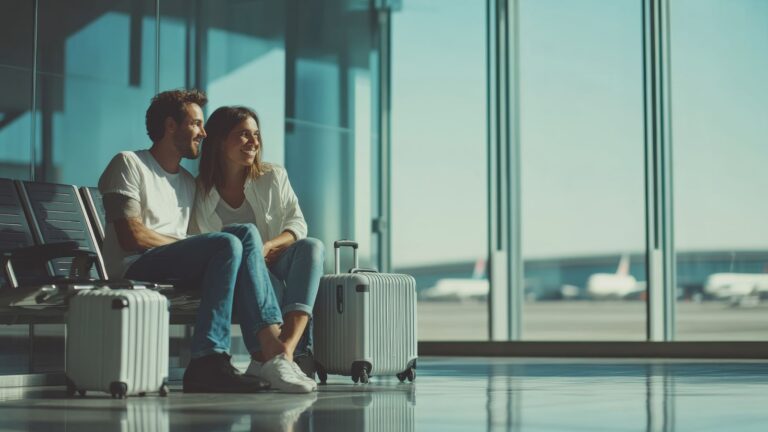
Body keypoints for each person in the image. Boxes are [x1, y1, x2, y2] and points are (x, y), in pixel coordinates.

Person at [98, 90, 314, 393]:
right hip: (134, 267)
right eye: (196, 124)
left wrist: (198, 246)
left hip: (175, 267)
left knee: (242, 235)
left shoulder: (188, 183)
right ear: (171, 126)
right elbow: (132, 235)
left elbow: (200, 246)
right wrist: (190, 244)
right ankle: (259, 352)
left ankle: (232, 359)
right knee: (228, 242)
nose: (204, 132)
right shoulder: (130, 164)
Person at [191, 106, 324, 382]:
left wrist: (267, 247)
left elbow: (297, 224)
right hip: (239, 273)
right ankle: (272, 360)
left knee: (312, 247)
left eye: (256, 135)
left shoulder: (272, 176)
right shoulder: (200, 191)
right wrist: (251, 260)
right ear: (219, 141)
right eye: (243, 135)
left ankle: (282, 353)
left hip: (275, 257)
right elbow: (203, 243)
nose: (254, 142)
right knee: (266, 278)